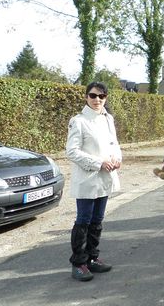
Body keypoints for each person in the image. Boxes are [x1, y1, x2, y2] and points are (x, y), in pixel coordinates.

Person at [66, 82, 122, 282]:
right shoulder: (79, 121)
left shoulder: (108, 119)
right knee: (84, 220)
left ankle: (92, 258)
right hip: (88, 179)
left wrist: (117, 159)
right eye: (93, 95)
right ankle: (79, 263)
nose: (97, 100)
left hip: (105, 179)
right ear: (86, 97)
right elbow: (71, 151)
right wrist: (99, 163)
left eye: (101, 96)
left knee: (97, 221)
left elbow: (114, 144)